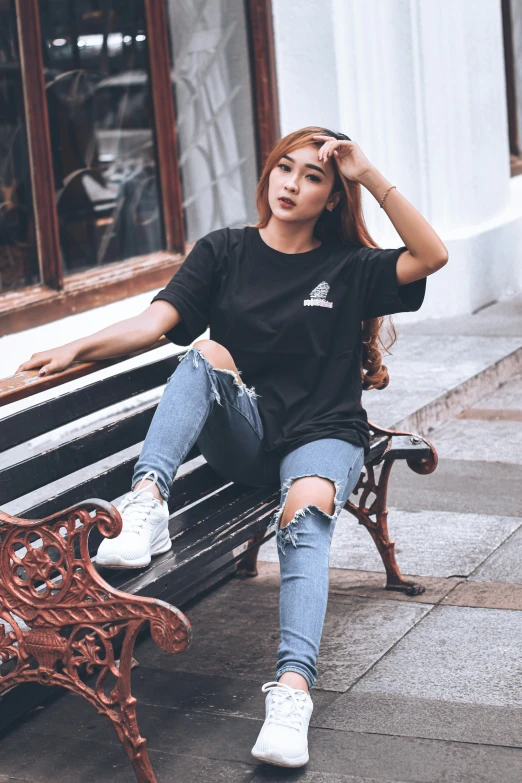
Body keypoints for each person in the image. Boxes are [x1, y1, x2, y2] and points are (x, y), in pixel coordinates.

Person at [16, 126, 448, 768]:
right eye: (285, 169)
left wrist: (368, 175)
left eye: (313, 177)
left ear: (332, 197)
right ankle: (146, 504)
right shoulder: (224, 251)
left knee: (303, 522)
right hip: (247, 437)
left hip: (323, 434)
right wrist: (76, 346)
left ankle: (292, 693)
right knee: (205, 352)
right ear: (268, 173)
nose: (291, 185)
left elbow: (431, 254)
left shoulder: (348, 268)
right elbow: (153, 323)